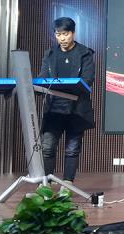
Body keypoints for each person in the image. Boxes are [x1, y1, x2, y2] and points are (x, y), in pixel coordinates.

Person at [38, 17, 95, 182]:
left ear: (73, 33)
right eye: (58, 34)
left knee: (72, 149)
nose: (62, 38)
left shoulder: (84, 53)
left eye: (65, 34)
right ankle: (45, 185)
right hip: (53, 109)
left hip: (76, 109)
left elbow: (87, 80)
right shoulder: (50, 54)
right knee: (47, 148)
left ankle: (67, 185)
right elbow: (42, 77)